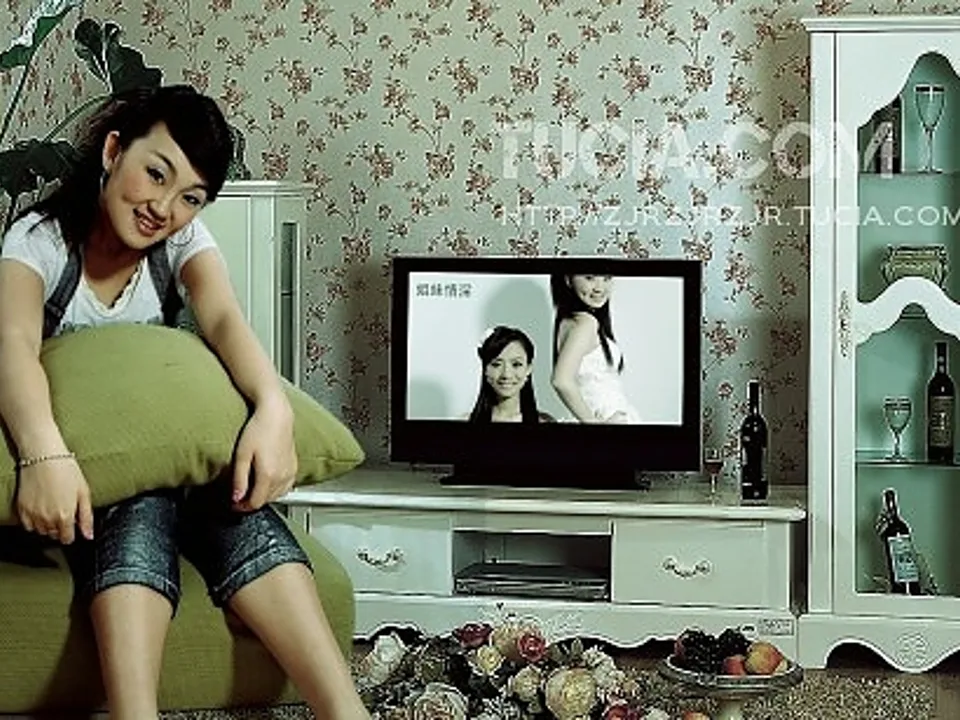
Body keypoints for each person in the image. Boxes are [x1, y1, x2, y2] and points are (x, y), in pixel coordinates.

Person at [0, 85, 369, 720]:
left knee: (239, 508)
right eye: (156, 174)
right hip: (93, 482)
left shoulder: (181, 244)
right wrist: (43, 456)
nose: (163, 208)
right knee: (140, 505)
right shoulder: (39, 240)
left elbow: (224, 320)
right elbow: (11, 345)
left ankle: (345, 712)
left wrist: (274, 409)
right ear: (113, 151)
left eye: (190, 197)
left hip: (177, 471)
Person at [549, 273, 640, 424]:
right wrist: (593, 423)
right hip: (605, 415)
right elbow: (561, 381)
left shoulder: (570, 321)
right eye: (589, 278)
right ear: (568, 279)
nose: (600, 288)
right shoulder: (585, 323)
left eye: (607, 278)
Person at [467, 325, 554, 423]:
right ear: (485, 369)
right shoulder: (466, 422)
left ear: (529, 369)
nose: (506, 374)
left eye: (516, 364)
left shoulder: (544, 422)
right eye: (496, 364)